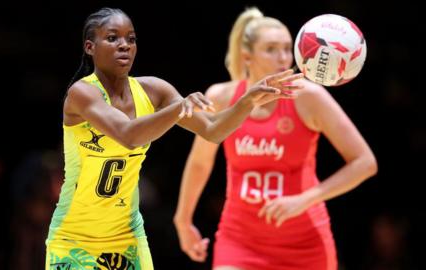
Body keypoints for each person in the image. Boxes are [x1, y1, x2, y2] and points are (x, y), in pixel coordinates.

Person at [45, 7, 303, 270]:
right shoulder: (82, 93)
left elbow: (213, 129)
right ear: (90, 47)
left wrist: (248, 100)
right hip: (75, 236)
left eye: (131, 39)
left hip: (127, 236)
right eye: (112, 38)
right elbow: (128, 135)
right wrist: (180, 107)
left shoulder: (154, 90)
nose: (124, 45)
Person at [173, 7, 378, 270]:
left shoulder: (309, 97)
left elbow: (365, 162)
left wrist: (304, 199)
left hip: (305, 242)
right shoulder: (221, 97)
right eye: (271, 49)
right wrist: (183, 220)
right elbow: (200, 163)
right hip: (240, 240)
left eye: (286, 48)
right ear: (247, 56)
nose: (283, 57)